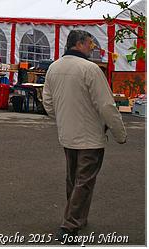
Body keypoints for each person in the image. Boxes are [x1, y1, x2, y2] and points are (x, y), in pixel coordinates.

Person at [43, 30, 127, 244]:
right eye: (90, 43)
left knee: (73, 179)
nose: (92, 47)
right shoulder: (90, 69)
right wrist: (119, 133)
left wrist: (63, 118)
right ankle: (69, 225)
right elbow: (106, 105)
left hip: (67, 133)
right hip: (90, 135)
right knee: (84, 181)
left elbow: (48, 103)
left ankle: (77, 218)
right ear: (79, 44)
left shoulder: (54, 67)